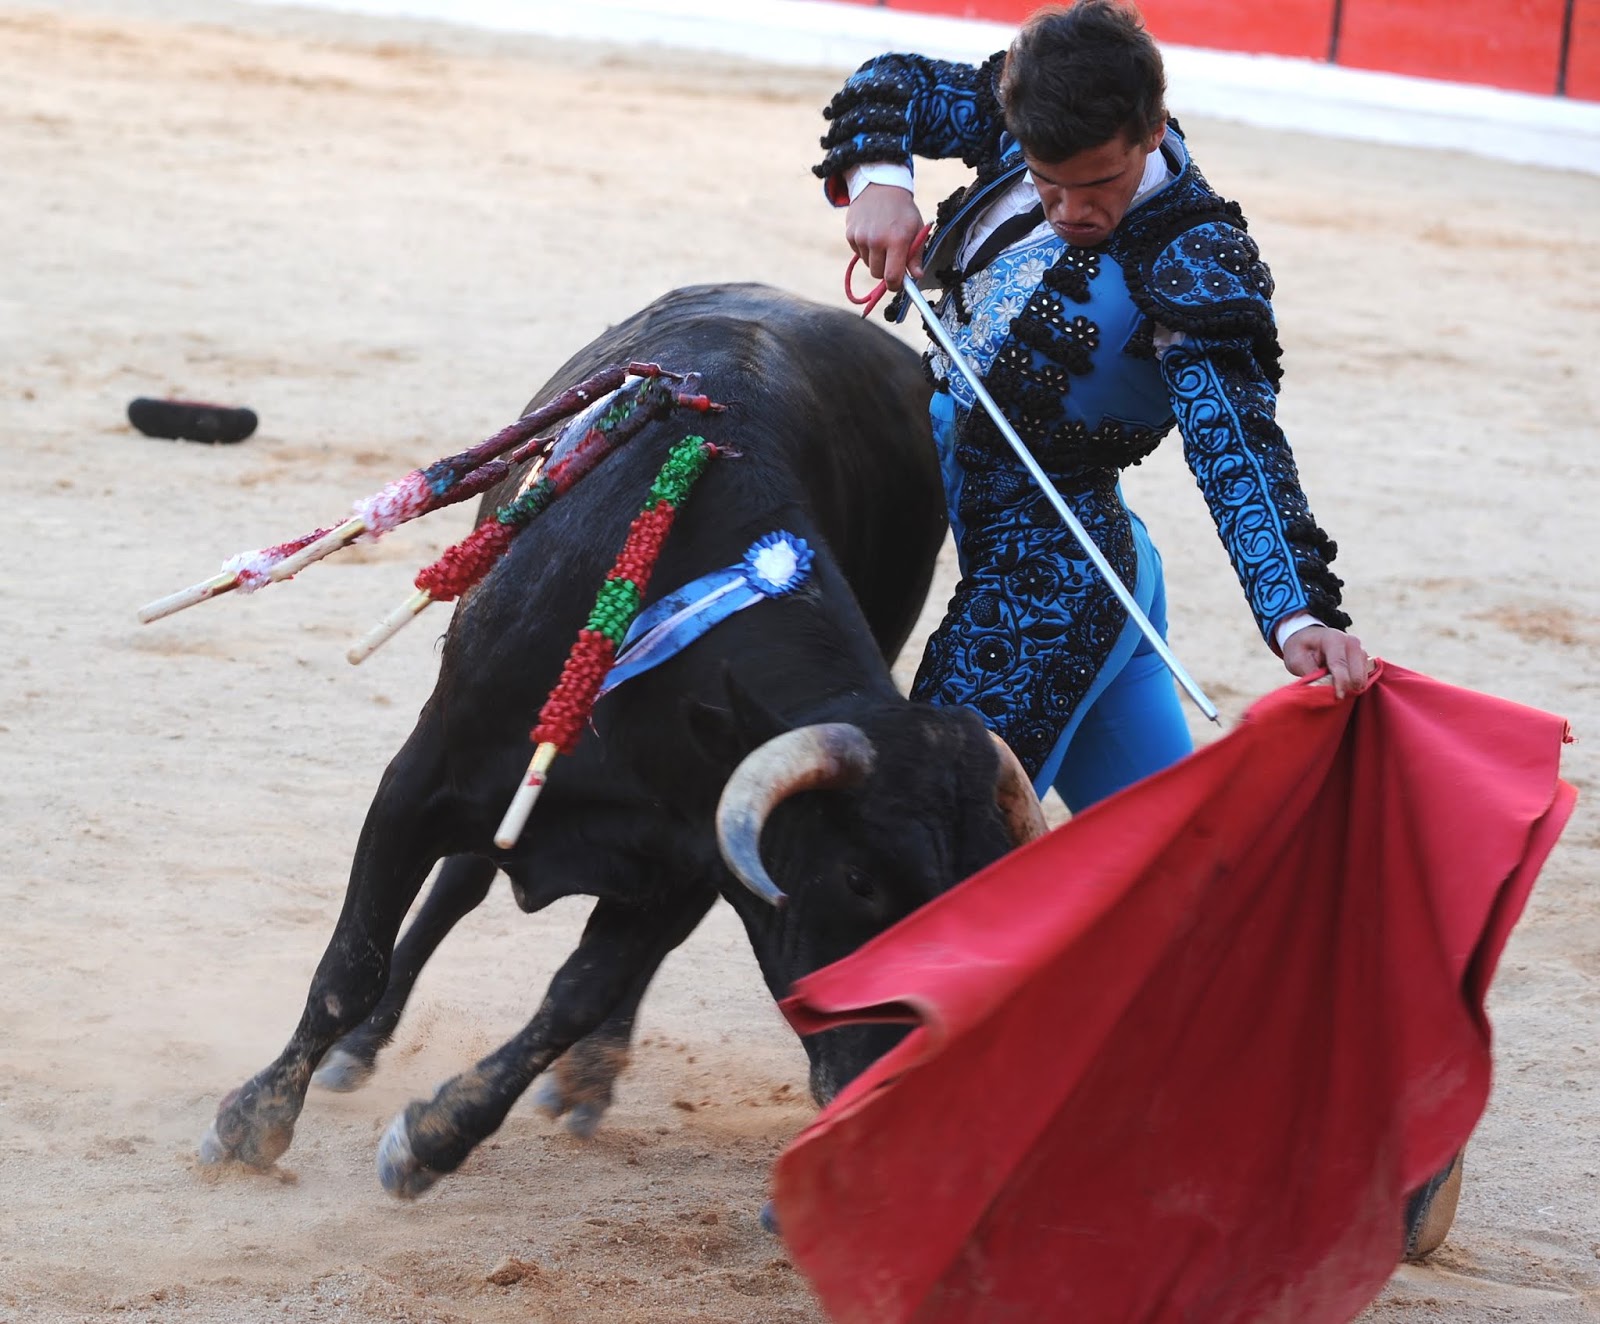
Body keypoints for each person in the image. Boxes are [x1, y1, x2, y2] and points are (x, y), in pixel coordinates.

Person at [815, 0, 1370, 809]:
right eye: (1047, 181)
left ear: (1152, 131)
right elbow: (888, 85)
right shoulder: (1026, 120)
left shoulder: (1194, 260)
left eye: (1101, 183)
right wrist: (881, 184)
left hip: (1057, 577)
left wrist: (1298, 614)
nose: (1071, 210)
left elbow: (1236, 449)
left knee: (928, 818)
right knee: (1171, 860)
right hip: (1075, 559)